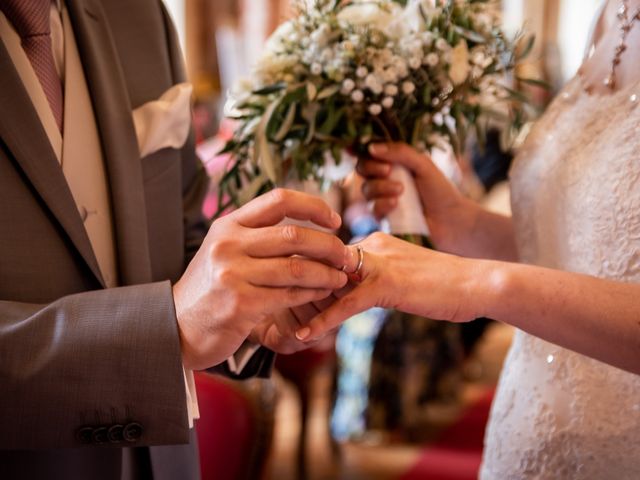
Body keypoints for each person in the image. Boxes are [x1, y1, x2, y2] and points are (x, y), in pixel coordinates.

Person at [0, 0, 350, 478]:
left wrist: (257, 302)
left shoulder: (140, 14)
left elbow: (180, 237)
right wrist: (167, 331)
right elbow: (172, 319)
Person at [298, 0, 640, 477]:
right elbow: (585, 251)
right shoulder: (612, 14)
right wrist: (459, 223)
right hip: (530, 421)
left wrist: (478, 285)